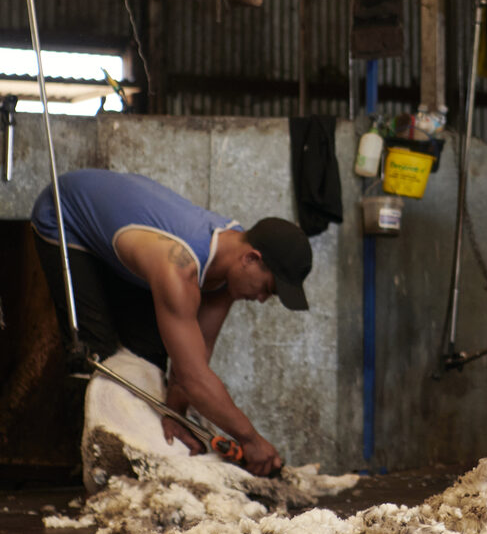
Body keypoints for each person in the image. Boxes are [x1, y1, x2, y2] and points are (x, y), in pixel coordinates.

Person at [31, 168, 313, 477]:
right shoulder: (178, 267)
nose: (262, 299)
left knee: (150, 351)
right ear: (251, 259)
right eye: (268, 288)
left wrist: (175, 413)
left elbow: (194, 358)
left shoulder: (230, 263)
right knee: (99, 358)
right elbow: (194, 379)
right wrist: (251, 439)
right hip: (66, 215)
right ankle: (92, 470)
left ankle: (136, 453)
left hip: (129, 242)